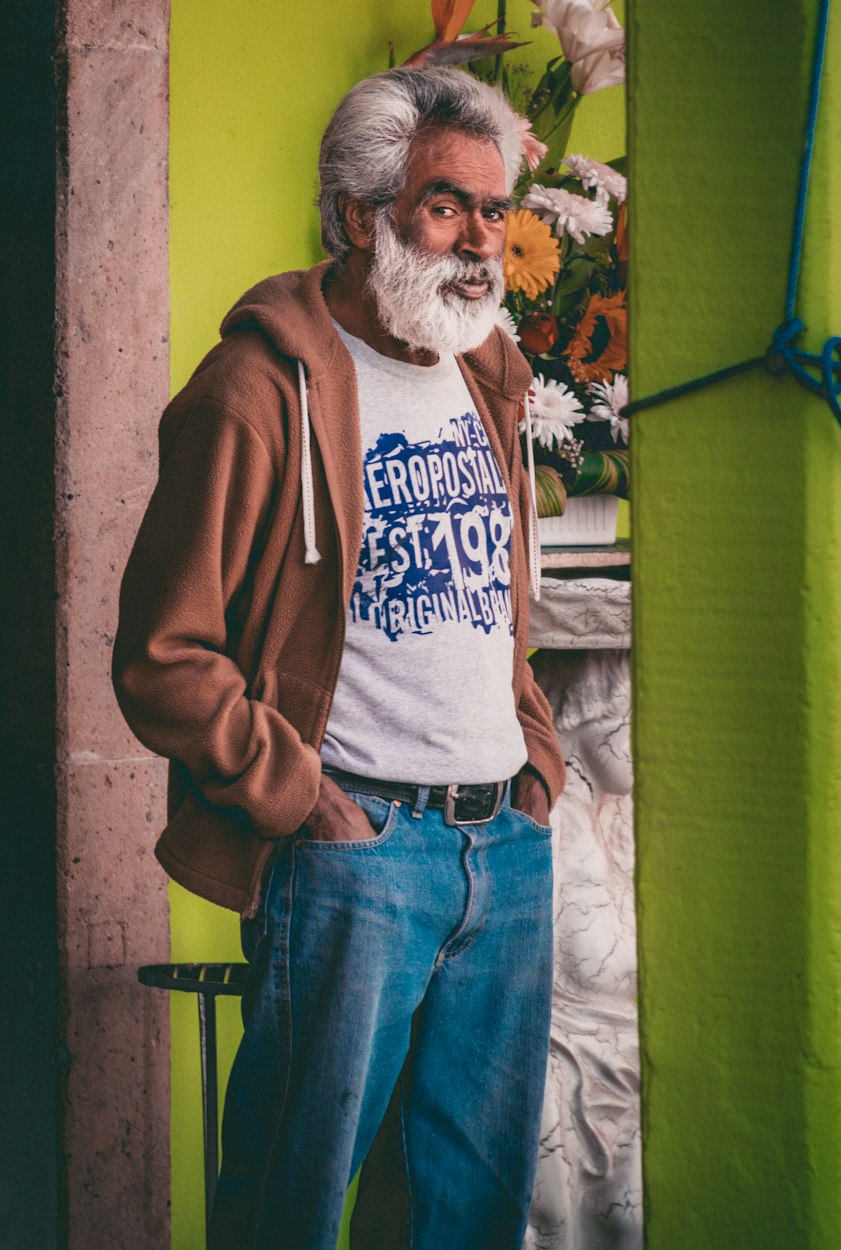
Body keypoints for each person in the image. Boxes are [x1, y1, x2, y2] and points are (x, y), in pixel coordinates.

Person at [113, 67, 565, 1250]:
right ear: (353, 218)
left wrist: (535, 771)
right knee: (292, 1206)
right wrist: (304, 799)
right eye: (443, 206)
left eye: (495, 210)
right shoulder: (258, 388)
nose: (481, 243)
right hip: (357, 856)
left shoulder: (486, 373)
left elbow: (491, 604)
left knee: (468, 1216)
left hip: (501, 855)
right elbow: (163, 652)